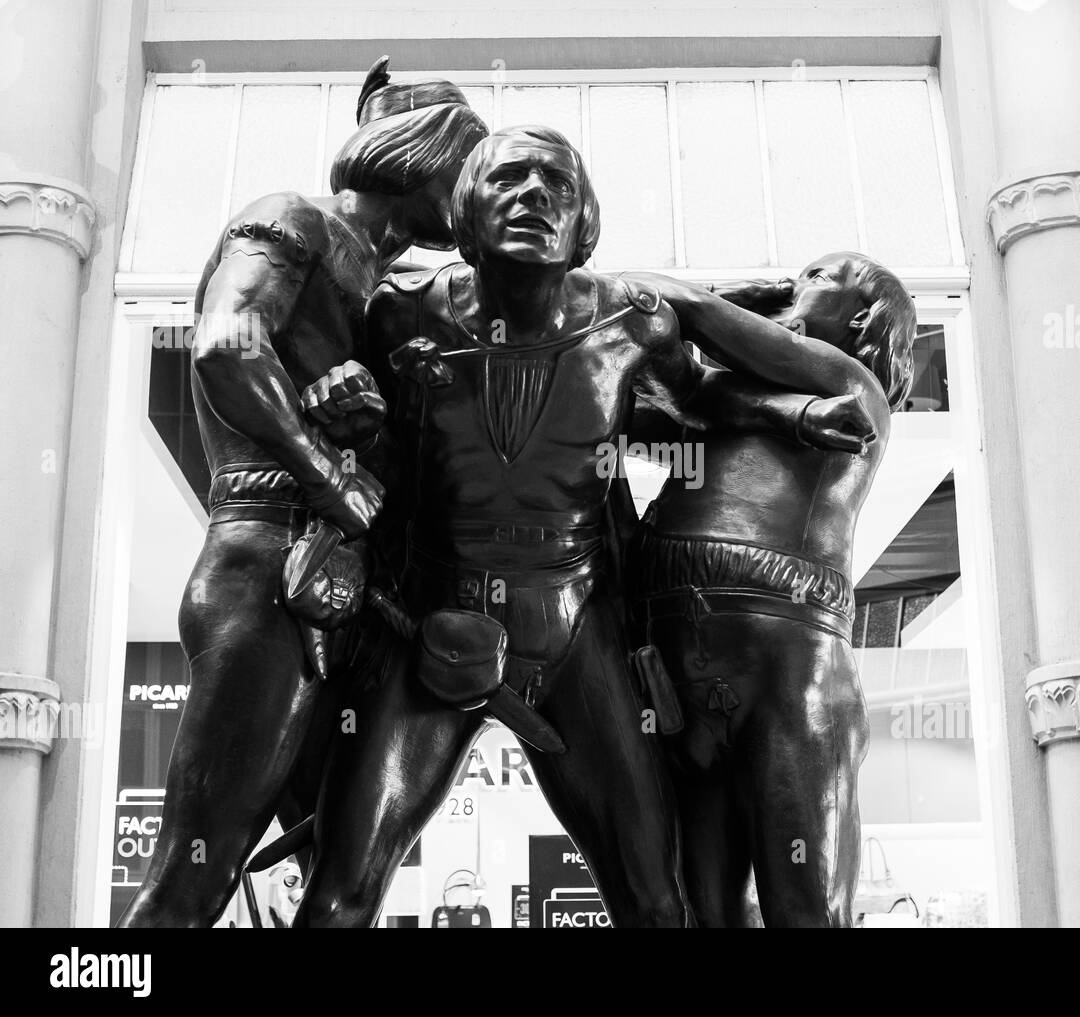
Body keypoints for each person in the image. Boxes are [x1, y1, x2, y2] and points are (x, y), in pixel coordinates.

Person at [293, 126, 873, 927]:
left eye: (556, 183)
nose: (534, 194)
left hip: (577, 623)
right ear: (464, 213)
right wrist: (343, 414)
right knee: (339, 892)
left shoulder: (633, 323)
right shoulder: (395, 313)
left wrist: (799, 412)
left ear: (583, 227)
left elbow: (694, 402)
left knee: (654, 900)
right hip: (429, 615)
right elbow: (361, 435)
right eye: (510, 178)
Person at [117, 58, 488, 928]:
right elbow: (226, 344)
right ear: (420, 153)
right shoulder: (293, 221)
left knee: (330, 869)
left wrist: (366, 435)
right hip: (269, 556)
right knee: (193, 870)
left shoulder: (382, 284)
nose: (471, 202)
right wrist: (327, 468)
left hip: (333, 582)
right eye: (465, 173)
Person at [624, 252, 916, 927]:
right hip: (685, 677)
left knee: (804, 910)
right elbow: (634, 379)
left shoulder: (851, 385)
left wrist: (736, 294)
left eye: (817, 278)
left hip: (789, 674)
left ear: (863, 316)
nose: (792, 284)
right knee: (708, 911)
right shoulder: (733, 413)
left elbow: (669, 303)